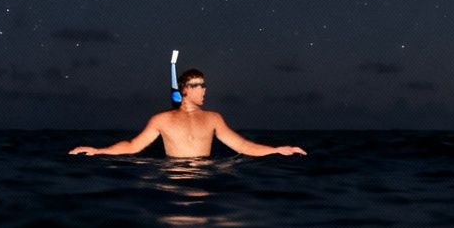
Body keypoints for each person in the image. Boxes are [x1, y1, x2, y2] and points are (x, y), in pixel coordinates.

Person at [69, 69, 306, 157]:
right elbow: (133, 146)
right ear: (184, 90)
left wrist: (277, 150)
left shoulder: (214, 118)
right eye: (198, 85)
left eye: (204, 84)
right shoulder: (161, 120)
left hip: (207, 180)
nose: (204, 89)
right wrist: (99, 150)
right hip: (173, 180)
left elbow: (243, 146)